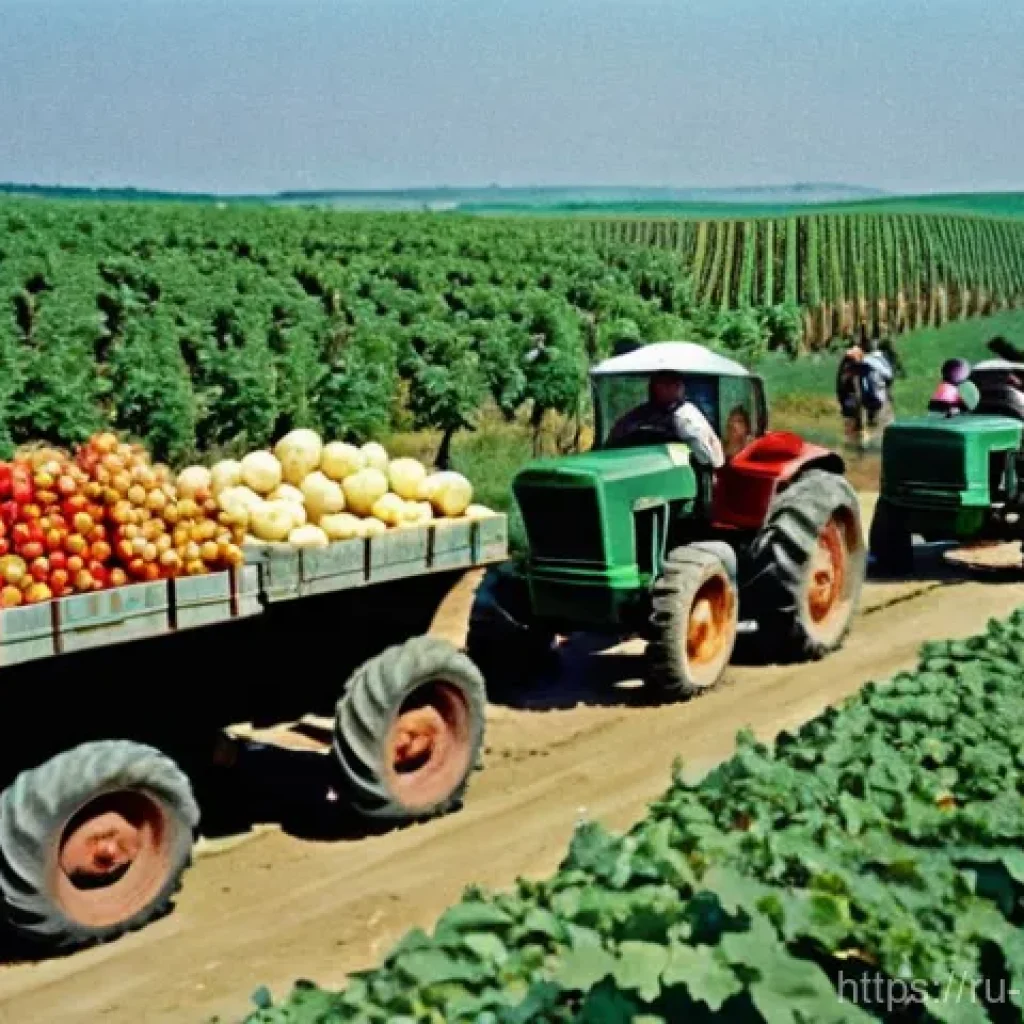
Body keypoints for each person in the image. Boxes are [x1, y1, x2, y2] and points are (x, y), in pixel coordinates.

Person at [608, 370, 724, 468]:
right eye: (663, 384)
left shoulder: (685, 413)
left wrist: (711, 468)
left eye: (674, 384)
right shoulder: (638, 415)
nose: (670, 388)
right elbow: (616, 440)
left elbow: (705, 455)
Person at [859, 336, 894, 442]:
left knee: (869, 423)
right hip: (879, 396)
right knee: (885, 423)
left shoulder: (862, 360)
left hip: (865, 397)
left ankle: (865, 440)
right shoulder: (878, 360)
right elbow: (889, 375)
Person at [835, 343, 864, 447]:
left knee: (849, 428)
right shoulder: (852, 371)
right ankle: (853, 450)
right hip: (852, 401)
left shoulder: (843, 369)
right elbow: (857, 389)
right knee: (853, 429)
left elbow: (839, 389)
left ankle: (850, 447)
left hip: (846, 401)